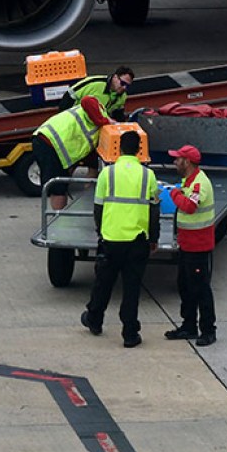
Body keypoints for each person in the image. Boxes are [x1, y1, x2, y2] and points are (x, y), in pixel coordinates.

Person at [81, 130, 160, 348]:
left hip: (111, 239)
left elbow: (98, 207)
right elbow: (154, 210)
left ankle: (94, 320)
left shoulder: (107, 174)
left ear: (118, 148)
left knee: (103, 283)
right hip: (137, 240)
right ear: (139, 150)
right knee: (132, 288)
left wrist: (101, 231)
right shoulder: (148, 176)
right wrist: (154, 237)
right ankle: (130, 333)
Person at [163, 144, 217, 346]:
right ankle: (189, 326)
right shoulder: (189, 181)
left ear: (187, 162)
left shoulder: (199, 184)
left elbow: (189, 206)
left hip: (198, 247)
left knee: (201, 288)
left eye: (178, 159)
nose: (175, 162)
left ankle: (208, 330)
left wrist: (174, 193)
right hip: (187, 245)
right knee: (185, 286)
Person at [31, 95, 111, 209]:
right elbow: (87, 100)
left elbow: (90, 162)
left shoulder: (100, 133)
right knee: (58, 187)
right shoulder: (99, 113)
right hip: (49, 142)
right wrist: (106, 121)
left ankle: (61, 216)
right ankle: (58, 221)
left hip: (51, 143)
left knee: (61, 183)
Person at [60, 67, 134, 121]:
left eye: (127, 86)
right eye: (122, 83)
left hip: (94, 124)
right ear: (115, 77)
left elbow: (118, 116)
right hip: (75, 119)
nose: (124, 87)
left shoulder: (122, 96)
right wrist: (64, 118)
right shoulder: (94, 84)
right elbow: (69, 96)